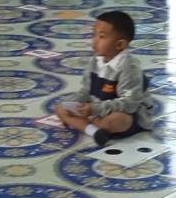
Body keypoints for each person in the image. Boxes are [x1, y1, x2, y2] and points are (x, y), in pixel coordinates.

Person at [55, 10, 154, 145]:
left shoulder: (129, 68)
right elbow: (85, 91)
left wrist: (94, 109)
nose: (94, 41)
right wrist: (72, 104)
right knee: (60, 108)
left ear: (120, 45)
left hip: (129, 114)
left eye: (101, 37)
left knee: (115, 121)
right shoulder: (95, 61)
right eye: (94, 35)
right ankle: (95, 131)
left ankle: (88, 125)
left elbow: (129, 104)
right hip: (98, 109)